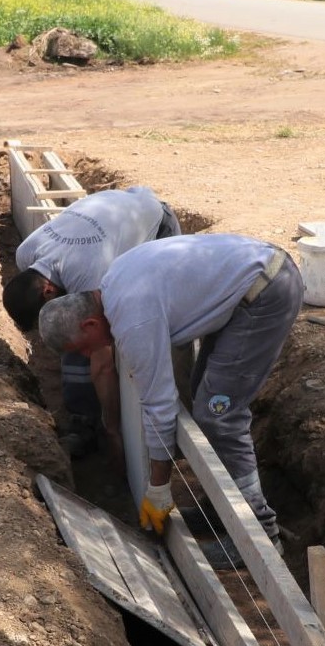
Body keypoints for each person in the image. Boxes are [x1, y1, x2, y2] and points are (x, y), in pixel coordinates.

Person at [36, 234, 302, 570]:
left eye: (83, 348)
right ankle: (223, 510)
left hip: (267, 291)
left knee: (220, 415)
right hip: (250, 286)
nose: (89, 355)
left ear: (89, 323)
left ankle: (260, 534)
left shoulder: (132, 319)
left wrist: (159, 487)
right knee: (204, 396)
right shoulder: (112, 284)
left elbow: (160, 405)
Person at [2, 186, 181, 455]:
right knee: (72, 335)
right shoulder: (27, 254)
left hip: (155, 224)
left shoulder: (90, 275)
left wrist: (114, 427)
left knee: (161, 326)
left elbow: (102, 362)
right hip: (114, 207)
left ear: (48, 290)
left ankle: (173, 425)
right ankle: (82, 422)